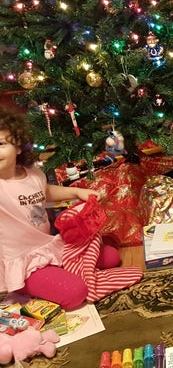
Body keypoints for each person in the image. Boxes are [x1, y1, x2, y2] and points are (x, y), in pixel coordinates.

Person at [0, 108, 138, 310]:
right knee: (75, 293)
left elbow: (44, 192)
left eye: (1, 144)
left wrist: (76, 193)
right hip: (23, 263)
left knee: (111, 257)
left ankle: (60, 272)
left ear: (19, 147)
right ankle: (22, 287)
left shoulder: (33, 174)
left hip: (47, 246)